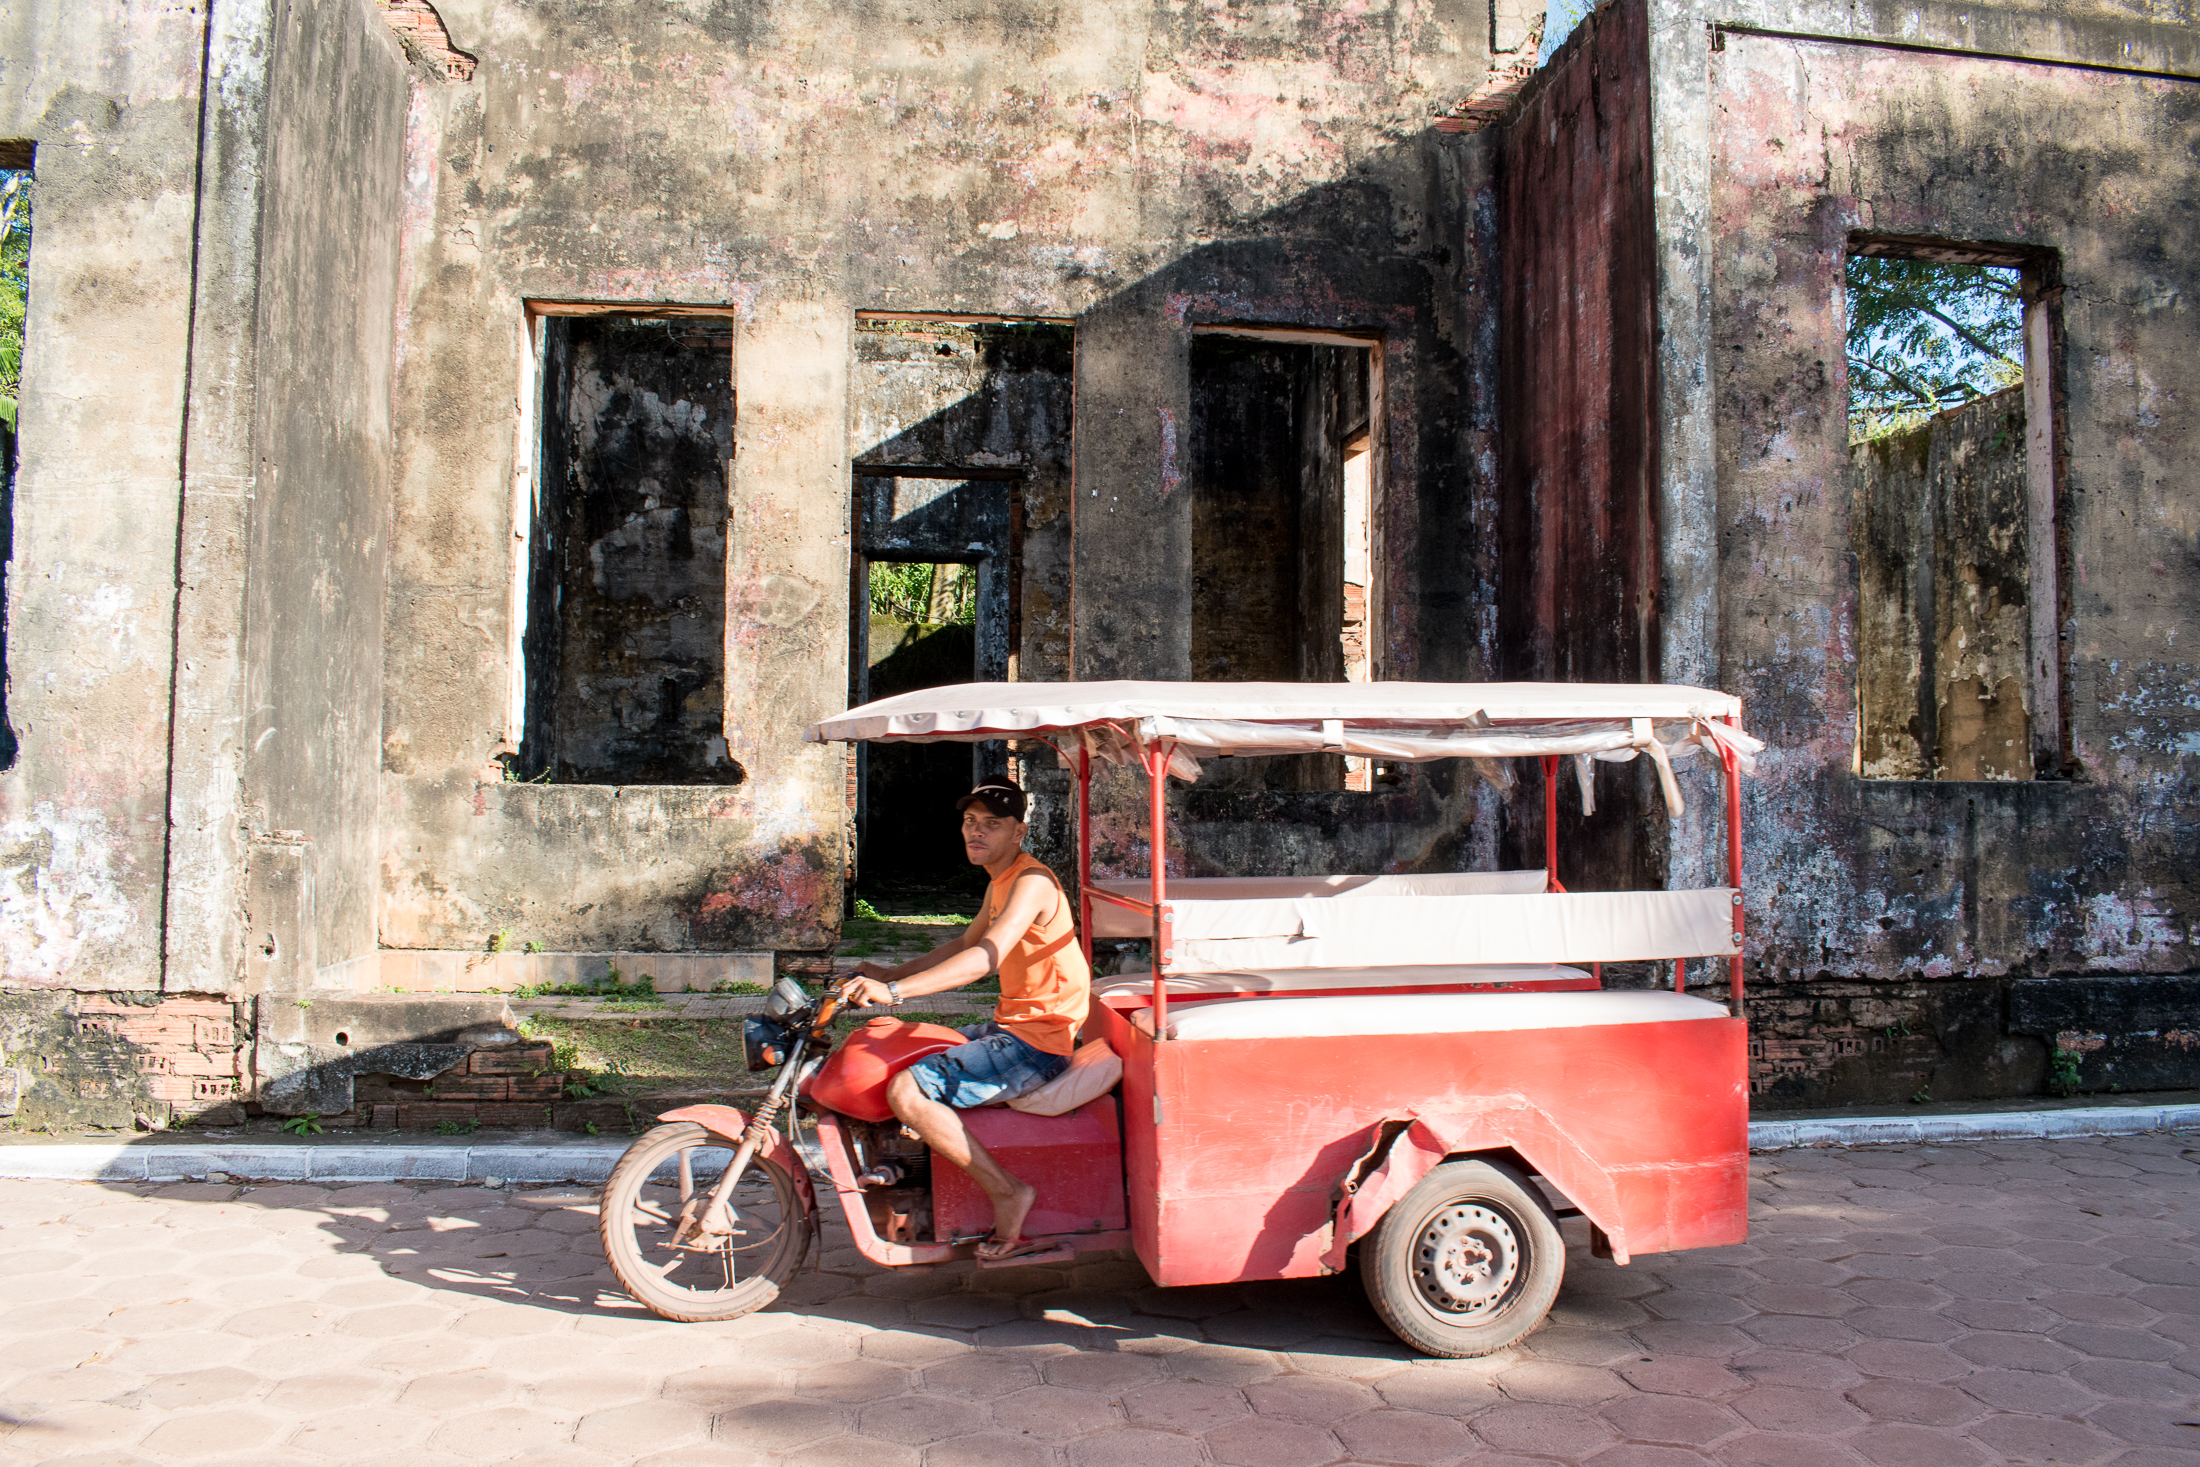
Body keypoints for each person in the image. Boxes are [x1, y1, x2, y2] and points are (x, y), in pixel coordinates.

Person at [842, 777, 1090, 1262]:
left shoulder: (1033, 882)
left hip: (1039, 1042)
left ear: (1018, 832)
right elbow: (963, 942)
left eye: (992, 824)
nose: (976, 831)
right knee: (904, 1050)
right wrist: (889, 972)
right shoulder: (1002, 880)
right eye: (970, 821)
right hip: (1012, 1027)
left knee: (906, 1091)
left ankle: (1008, 1192)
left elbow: (984, 958)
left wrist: (894, 993)